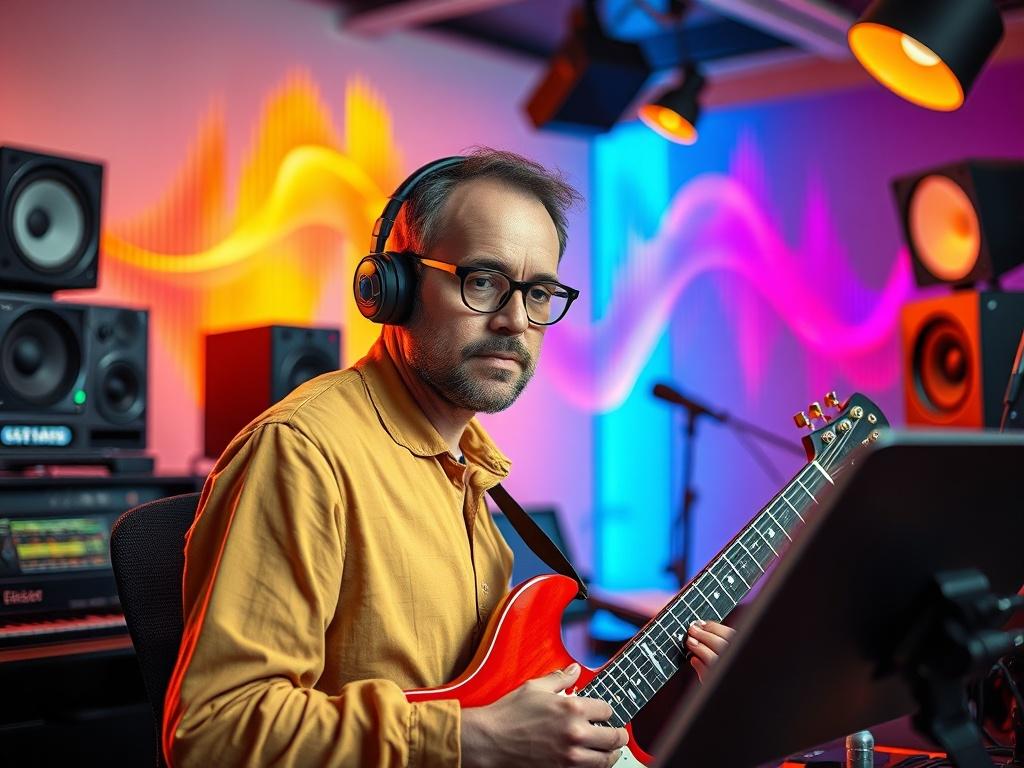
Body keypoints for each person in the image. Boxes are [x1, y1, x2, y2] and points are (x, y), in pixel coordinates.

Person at [162, 149, 734, 767]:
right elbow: (213, 732)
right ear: (393, 289)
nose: (516, 320)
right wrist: (469, 738)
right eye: (482, 281)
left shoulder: (467, 464)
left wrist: (682, 687)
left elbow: (497, 700)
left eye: (539, 292)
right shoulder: (303, 453)